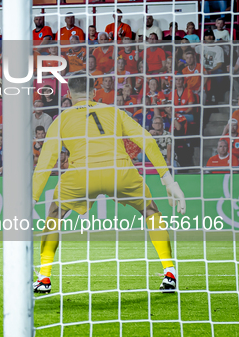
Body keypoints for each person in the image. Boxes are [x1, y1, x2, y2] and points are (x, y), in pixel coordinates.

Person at [32, 77, 185, 294]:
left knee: (55, 214)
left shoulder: (61, 119)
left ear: (68, 95)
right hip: (120, 171)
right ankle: (170, 272)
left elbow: (46, 161)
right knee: (150, 210)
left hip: (82, 175)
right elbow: (147, 140)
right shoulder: (114, 111)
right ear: (94, 93)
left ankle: (44, 277)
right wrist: (168, 179)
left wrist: (32, 197)